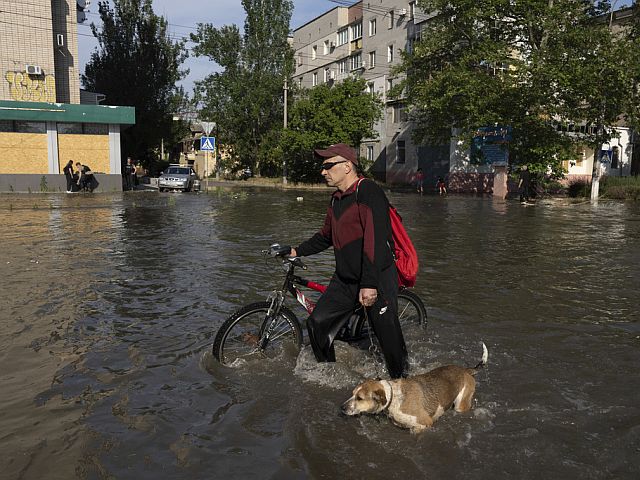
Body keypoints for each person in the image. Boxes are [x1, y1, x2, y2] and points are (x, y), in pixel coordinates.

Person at [288, 143, 409, 379]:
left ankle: (403, 383)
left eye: (327, 165)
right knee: (317, 323)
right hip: (345, 279)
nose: (323, 172)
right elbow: (326, 237)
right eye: (322, 167)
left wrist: (370, 284)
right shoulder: (336, 199)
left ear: (346, 166)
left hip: (376, 277)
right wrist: (295, 251)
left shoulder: (368, 191)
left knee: (387, 338)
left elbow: (374, 240)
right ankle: (330, 375)